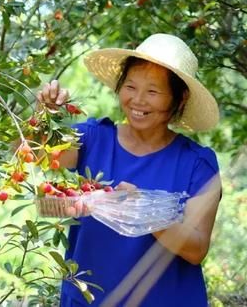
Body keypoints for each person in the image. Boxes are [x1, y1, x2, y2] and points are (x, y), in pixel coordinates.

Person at [36, 33, 222, 307]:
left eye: (153, 91)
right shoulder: (93, 139)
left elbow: (196, 249)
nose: (138, 100)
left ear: (179, 99)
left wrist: (145, 211)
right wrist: (43, 115)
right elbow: (34, 155)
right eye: (131, 86)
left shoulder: (197, 164)